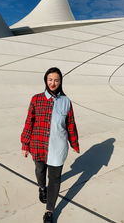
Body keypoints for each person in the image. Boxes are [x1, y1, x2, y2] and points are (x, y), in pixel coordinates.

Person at [21, 67, 80, 223]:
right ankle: (42, 187)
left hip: (58, 148)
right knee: (40, 171)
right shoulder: (36, 99)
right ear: (45, 81)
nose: (53, 83)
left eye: (56, 80)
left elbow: (71, 124)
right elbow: (29, 122)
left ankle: (49, 210)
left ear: (60, 82)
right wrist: (25, 143)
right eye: (50, 79)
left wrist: (74, 143)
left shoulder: (66, 101)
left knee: (55, 179)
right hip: (38, 144)